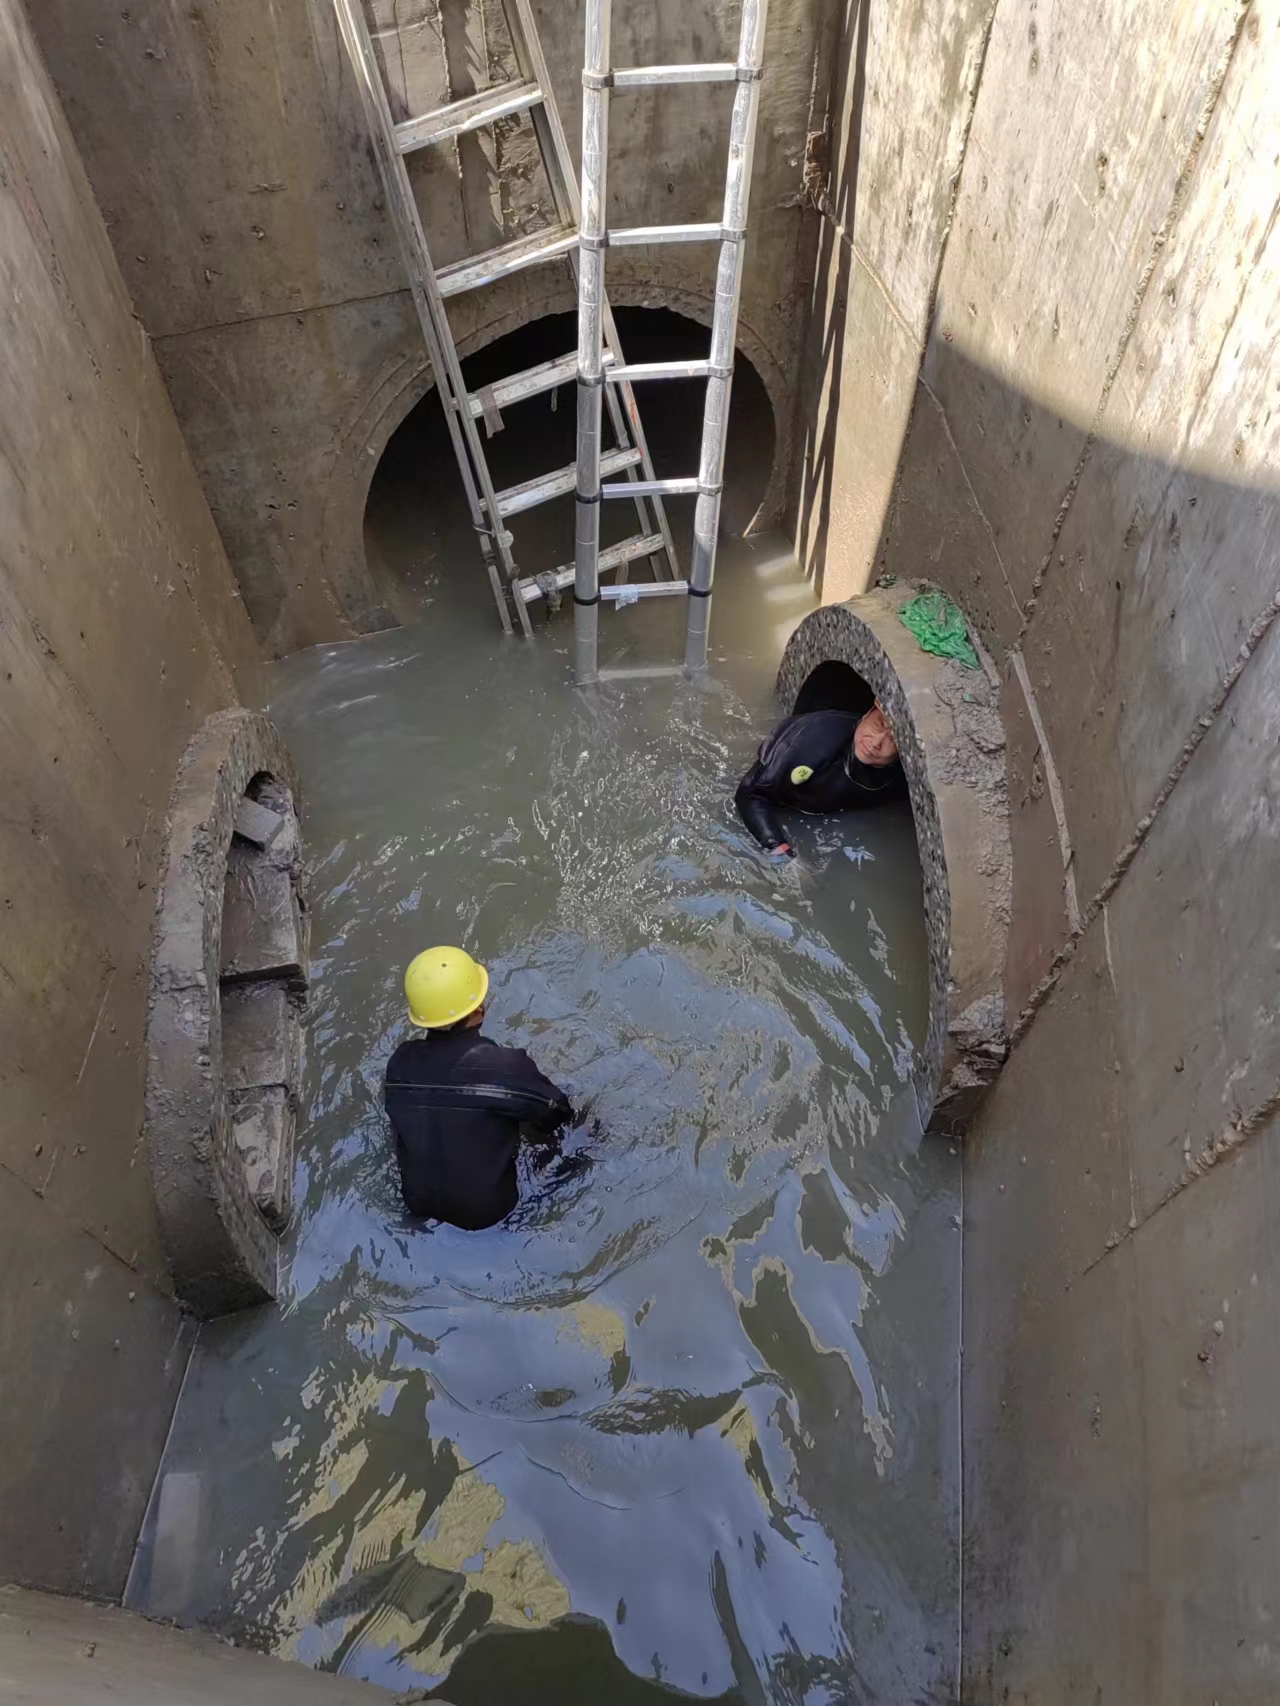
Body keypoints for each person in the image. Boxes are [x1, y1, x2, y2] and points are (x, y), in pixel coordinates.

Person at [383, 945, 573, 1230]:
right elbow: (559, 1113)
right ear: (479, 1009)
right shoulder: (506, 1067)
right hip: (491, 1216)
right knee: (582, 1127)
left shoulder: (399, 1063)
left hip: (416, 1206)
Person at [734, 701, 906, 857]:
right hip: (787, 797)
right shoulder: (813, 740)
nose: (876, 743)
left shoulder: (900, 778)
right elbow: (750, 794)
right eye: (879, 724)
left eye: (893, 739)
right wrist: (778, 849)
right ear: (868, 713)